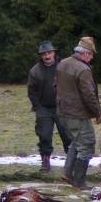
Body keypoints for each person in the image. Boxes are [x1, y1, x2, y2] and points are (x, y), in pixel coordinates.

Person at [55, 36, 101, 190]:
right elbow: (89, 95)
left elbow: (55, 85)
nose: (92, 57)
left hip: (63, 113)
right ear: (86, 53)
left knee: (76, 142)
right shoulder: (83, 69)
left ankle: (67, 172)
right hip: (78, 115)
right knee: (87, 145)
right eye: (91, 54)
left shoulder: (62, 63)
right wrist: (97, 113)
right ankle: (79, 182)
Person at [27, 40, 71, 172]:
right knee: (44, 136)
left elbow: (71, 86)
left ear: (54, 53)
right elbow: (31, 90)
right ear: (40, 56)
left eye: (49, 53)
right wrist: (38, 106)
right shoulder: (35, 71)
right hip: (44, 109)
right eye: (44, 54)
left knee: (68, 136)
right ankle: (45, 162)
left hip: (62, 108)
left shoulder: (64, 67)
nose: (47, 56)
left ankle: (71, 162)